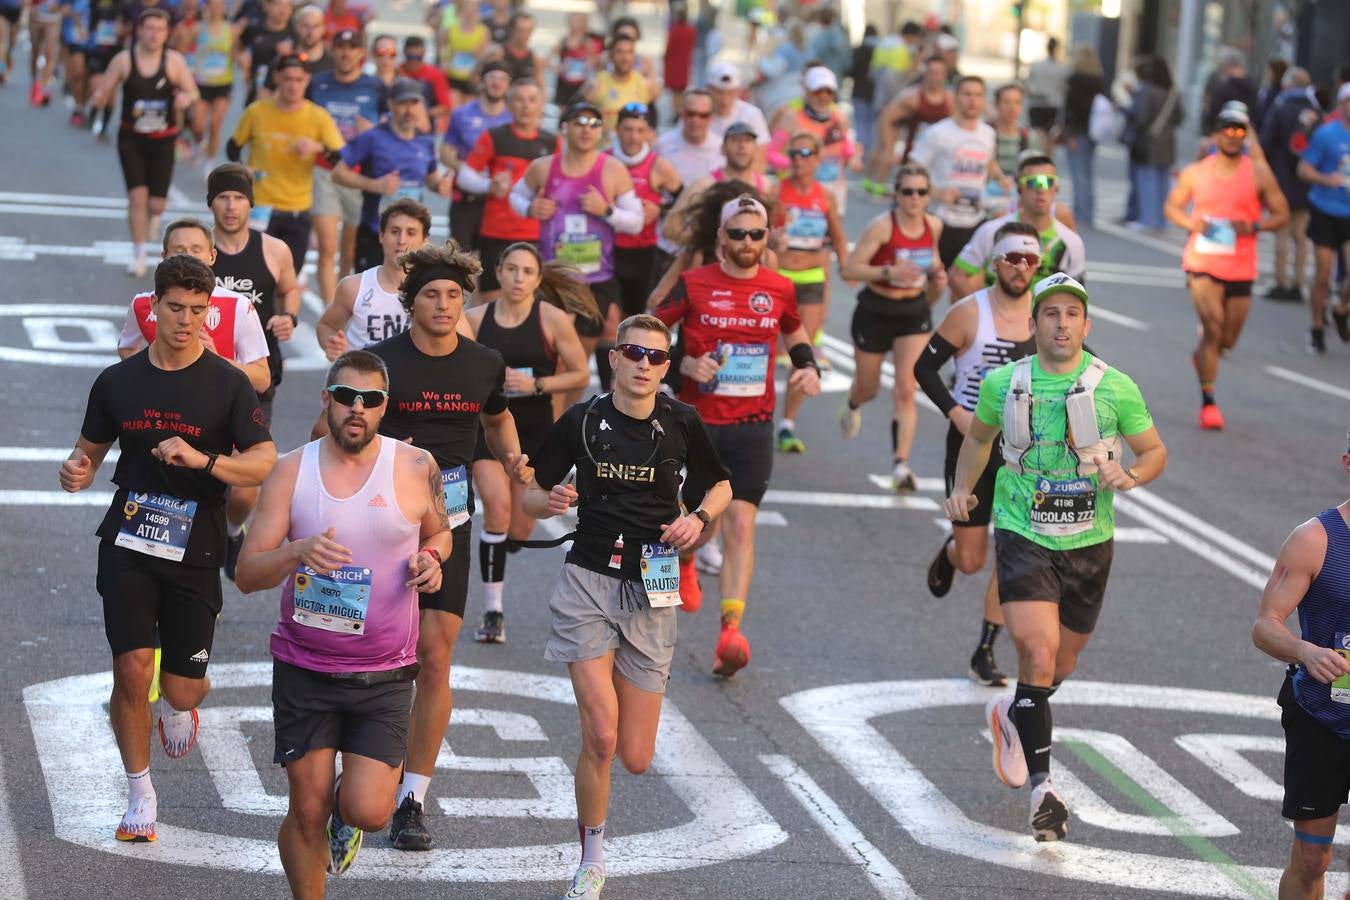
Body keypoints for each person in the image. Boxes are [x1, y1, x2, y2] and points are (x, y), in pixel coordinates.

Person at [59, 254, 277, 844]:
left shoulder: (227, 382)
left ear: (210, 313)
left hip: (196, 548)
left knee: (180, 686)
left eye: (198, 311)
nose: (186, 321)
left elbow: (263, 461)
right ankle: (139, 793)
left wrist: (204, 459)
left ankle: (182, 704)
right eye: (175, 308)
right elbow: (89, 450)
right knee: (131, 669)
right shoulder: (117, 381)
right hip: (128, 539)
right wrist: (76, 471)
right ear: (152, 307)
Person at [946, 272, 1166, 841]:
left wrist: (1132, 473)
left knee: (1057, 669)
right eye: (1051, 313)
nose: (1062, 323)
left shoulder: (1115, 386)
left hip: (1091, 541)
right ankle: (1044, 792)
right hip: (1022, 530)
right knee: (1037, 653)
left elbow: (1154, 450)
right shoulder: (1003, 383)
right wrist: (963, 489)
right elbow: (978, 440)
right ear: (1035, 323)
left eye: (1072, 314)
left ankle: (1012, 714)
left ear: (1086, 326)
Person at [521, 313, 732, 900]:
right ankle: (590, 861)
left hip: (653, 587)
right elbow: (530, 495)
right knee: (604, 737)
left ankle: (601, 774)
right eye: (634, 353)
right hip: (587, 578)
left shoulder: (682, 421)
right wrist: (550, 498)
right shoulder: (583, 420)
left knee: (636, 756)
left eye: (657, 357)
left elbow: (721, 485)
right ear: (613, 358)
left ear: (667, 367)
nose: (644, 365)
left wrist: (699, 518)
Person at [235, 349, 452, 890]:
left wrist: (433, 560)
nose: (358, 408)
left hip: (385, 674)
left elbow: (440, 532)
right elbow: (246, 573)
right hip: (306, 668)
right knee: (305, 811)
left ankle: (345, 818)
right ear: (327, 400)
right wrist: (297, 551)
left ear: (384, 407)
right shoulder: (291, 469)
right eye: (347, 397)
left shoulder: (416, 465)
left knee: (369, 811)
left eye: (371, 399)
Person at [368, 242, 527, 851]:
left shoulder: (483, 362)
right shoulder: (379, 363)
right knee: (372, 656)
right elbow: (330, 430)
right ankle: (353, 776)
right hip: (380, 525)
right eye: (431, 294)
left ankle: (412, 798)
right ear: (411, 303)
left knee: (434, 658)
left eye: (454, 296)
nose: (443, 304)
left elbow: (496, 417)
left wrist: (512, 456)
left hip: (449, 526)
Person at [653, 194, 822, 676]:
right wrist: (683, 362)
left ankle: (730, 630)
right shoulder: (694, 283)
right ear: (721, 238)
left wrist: (808, 368)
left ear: (767, 237)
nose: (748, 242)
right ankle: (685, 563)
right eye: (738, 233)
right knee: (687, 527)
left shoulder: (780, 288)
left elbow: (795, 333)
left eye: (757, 233)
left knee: (742, 526)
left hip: (752, 427)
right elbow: (649, 330)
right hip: (696, 424)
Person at [917, 221, 1042, 688]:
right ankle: (952, 555)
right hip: (973, 444)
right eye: (1012, 258)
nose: (1021, 267)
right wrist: (955, 413)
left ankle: (986, 648)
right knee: (973, 559)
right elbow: (924, 367)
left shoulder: (1046, 314)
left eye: (1030, 260)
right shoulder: (969, 313)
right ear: (995, 263)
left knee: (1011, 552)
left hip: (1029, 453)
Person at [463, 244, 591, 643]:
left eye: (527, 272)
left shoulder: (551, 320)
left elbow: (580, 374)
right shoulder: (473, 320)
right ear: (498, 272)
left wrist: (536, 384)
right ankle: (493, 613)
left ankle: (504, 547)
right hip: (489, 432)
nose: (519, 278)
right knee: (497, 512)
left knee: (518, 528)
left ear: (538, 279)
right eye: (512, 269)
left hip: (537, 435)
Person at [1251, 432, 1350, 900]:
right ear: (1348, 463)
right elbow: (1266, 625)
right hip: (1321, 716)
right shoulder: (1316, 538)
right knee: (1312, 858)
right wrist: (1307, 652)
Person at [1165, 102, 1288, 429]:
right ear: (1216, 135)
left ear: (1245, 136)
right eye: (1227, 130)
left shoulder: (1258, 173)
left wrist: (1255, 226)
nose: (1233, 136)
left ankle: (1204, 356)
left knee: (1227, 339)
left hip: (1241, 265)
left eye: (1239, 131)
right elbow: (1173, 208)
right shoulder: (1197, 172)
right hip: (1203, 261)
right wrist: (1193, 222)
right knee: (1213, 326)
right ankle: (1208, 403)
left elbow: (1281, 213)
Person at [514, 97, 644, 396]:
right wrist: (531, 208)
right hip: (552, 279)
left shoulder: (612, 170)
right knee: (551, 361)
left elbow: (636, 221)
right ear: (564, 128)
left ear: (601, 132)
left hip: (594, 281)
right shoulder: (544, 167)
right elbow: (515, 196)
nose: (587, 129)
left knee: (576, 365)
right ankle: (550, 425)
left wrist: (607, 211)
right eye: (579, 123)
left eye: (594, 124)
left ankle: (565, 425)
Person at [208, 163, 302, 571]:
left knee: (245, 487)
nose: (231, 207)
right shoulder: (198, 249)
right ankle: (200, 557)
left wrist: (290, 317)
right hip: (201, 378)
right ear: (211, 203)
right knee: (201, 476)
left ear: (250, 203)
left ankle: (231, 533)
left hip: (256, 379)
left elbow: (291, 288)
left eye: (239, 198)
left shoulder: (273, 250)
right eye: (223, 198)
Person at [839, 163, 946, 490]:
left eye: (921, 192)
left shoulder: (934, 225)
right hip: (875, 310)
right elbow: (849, 270)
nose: (914, 198)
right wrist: (888, 272)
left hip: (912, 313)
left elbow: (934, 263)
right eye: (907, 191)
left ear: (929, 196)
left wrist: (935, 283)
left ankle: (901, 464)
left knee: (906, 388)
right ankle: (854, 401)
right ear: (896, 195)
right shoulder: (882, 227)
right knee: (869, 388)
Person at [90, 8, 199, 278]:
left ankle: (153, 216)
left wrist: (185, 99)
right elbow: (104, 89)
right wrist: (99, 97)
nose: (154, 34)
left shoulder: (173, 61)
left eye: (160, 30)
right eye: (149, 28)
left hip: (163, 140)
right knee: (136, 197)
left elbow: (192, 91)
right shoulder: (124, 60)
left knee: (157, 205)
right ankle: (138, 253)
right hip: (132, 139)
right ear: (140, 31)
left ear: (167, 33)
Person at [118, 219, 272, 399]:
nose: (189, 256)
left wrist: (217, 361)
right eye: (180, 250)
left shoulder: (239, 305)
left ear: (212, 256)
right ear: (164, 256)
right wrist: (151, 378)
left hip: (215, 412)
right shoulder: (142, 304)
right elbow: (126, 347)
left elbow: (262, 380)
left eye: (196, 250)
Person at [228, 53, 346, 278]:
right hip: (260, 205)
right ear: (277, 78)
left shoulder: (318, 116)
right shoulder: (257, 111)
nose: (293, 85)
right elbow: (233, 146)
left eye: (299, 79)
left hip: (297, 207)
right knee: (256, 276)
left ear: (307, 80)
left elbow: (341, 158)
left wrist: (318, 147)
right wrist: (242, 168)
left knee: (288, 277)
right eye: (288, 79)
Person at [771, 130, 847, 455]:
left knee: (801, 355)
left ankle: (787, 424)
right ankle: (755, 412)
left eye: (806, 153)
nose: (799, 160)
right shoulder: (777, 191)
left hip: (812, 278)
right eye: (794, 153)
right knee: (766, 349)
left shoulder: (825, 195)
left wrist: (848, 268)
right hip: (779, 276)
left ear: (818, 159)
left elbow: (839, 237)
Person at [456, 78, 558, 303]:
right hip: (497, 232)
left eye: (532, 100)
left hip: (538, 234)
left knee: (533, 302)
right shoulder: (494, 136)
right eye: (519, 100)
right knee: (492, 302)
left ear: (541, 105)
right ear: (509, 105)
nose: (525, 105)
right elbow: (465, 176)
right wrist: (489, 185)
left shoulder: (553, 143)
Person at [331, 78, 446, 272]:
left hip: (413, 237)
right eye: (403, 103)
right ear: (391, 104)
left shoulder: (425, 141)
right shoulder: (372, 137)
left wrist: (440, 185)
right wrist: (374, 185)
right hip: (377, 233)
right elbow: (338, 173)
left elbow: (431, 177)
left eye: (414, 103)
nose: (409, 110)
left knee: (408, 298)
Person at [308, 27, 387, 305]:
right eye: (340, 47)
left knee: (350, 251)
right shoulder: (317, 83)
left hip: (360, 174)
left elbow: (392, 127)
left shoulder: (375, 86)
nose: (345, 52)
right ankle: (331, 310)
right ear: (333, 50)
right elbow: (303, 118)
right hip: (325, 170)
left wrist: (374, 129)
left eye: (352, 47)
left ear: (361, 54)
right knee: (327, 246)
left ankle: (346, 303)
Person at [950, 151, 1087, 299]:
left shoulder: (1072, 242)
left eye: (1048, 181)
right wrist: (980, 312)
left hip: (1041, 321)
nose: (1041, 190)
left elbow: (1076, 297)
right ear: (1019, 188)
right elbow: (957, 275)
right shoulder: (992, 230)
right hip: (998, 318)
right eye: (1032, 182)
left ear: (1057, 188)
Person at [909, 74, 1008, 273]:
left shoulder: (988, 133)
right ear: (955, 97)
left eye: (978, 95)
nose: (972, 100)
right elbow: (911, 170)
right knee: (932, 286)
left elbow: (987, 161)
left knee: (967, 285)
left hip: (975, 220)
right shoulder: (938, 133)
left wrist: (999, 177)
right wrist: (938, 193)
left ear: (984, 100)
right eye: (967, 94)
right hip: (940, 220)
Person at [314, 198, 430, 363]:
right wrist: (332, 344)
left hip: (414, 383)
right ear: (381, 236)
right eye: (395, 231)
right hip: (363, 383)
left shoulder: (435, 290)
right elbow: (326, 326)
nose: (401, 240)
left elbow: (462, 337)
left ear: (425, 240)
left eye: (411, 232)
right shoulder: (353, 287)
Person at [606, 102, 682, 319]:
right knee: (610, 318)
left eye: (640, 131)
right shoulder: (604, 160)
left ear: (650, 133)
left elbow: (684, 201)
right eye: (628, 129)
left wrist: (660, 209)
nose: (633, 137)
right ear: (617, 129)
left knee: (637, 316)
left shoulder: (659, 165)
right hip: (608, 250)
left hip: (644, 253)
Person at [1296, 83, 1350, 354]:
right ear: (1341, 104)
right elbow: (1304, 169)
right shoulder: (1327, 134)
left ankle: (1341, 310)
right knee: (1324, 275)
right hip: (1326, 210)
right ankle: (1317, 327)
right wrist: (1325, 178)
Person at [1259, 66, 1318, 303]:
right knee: (1301, 236)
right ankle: (1298, 282)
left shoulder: (1281, 108)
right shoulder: (1315, 112)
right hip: (1306, 180)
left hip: (1282, 178)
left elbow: (1266, 142)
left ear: (1289, 84)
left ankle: (1281, 281)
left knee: (1282, 233)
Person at [767, 66, 859, 213]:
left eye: (829, 92)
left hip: (833, 190)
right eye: (818, 91)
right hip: (799, 191)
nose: (823, 97)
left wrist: (853, 157)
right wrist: (797, 164)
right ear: (806, 91)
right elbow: (770, 154)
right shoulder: (791, 118)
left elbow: (849, 150)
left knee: (832, 234)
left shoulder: (840, 117)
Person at [441, 60, 511, 251]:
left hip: (498, 202)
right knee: (461, 260)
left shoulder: (513, 118)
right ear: (482, 82)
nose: (496, 84)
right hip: (467, 199)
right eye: (492, 78)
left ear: (508, 85)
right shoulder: (462, 114)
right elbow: (445, 152)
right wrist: (464, 170)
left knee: (493, 264)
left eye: (502, 79)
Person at [867, 55, 950, 190]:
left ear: (945, 75)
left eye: (939, 73)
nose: (936, 77)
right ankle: (873, 181)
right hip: (915, 156)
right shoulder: (912, 97)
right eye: (932, 72)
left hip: (940, 158)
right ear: (925, 74)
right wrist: (889, 148)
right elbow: (886, 118)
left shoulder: (951, 100)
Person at [1126, 56, 1183, 233]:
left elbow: (1141, 118)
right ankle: (1161, 220)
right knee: (1163, 181)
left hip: (1150, 142)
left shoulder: (1148, 91)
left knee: (1147, 180)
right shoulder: (1173, 93)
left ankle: (1147, 219)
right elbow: (1180, 118)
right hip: (1168, 141)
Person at [1060, 45, 1106, 228]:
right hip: (1093, 131)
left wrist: (1069, 133)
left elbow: (1071, 110)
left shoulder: (1075, 80)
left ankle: (1080, 213)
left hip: (1077, 131)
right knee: (1087, 172)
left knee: (1078, 173)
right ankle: (1088, 212)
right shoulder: (1099, 80)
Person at [185, 0, 235, 167]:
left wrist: (243, 60)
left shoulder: (231, 31)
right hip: (202, 83)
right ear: (206, 8)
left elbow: (238, 52)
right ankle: (200, 143)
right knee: (198, 126)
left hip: (223, 84)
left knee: (214, 126)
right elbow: (182, 50)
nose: (215, 9)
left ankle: (211, 161)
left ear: (223, 8)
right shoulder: (197, 29)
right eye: (212, 5)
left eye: (219, 6)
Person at [654, 88, 724, 195]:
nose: (696, 120)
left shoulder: (721, 148)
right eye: (690, 113)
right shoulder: (662, 145)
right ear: (681, 113)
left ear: (711, 118)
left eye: (703, 115)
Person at [706, 60, 770, 163]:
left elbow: (760, 157)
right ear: (709, 89)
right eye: (719, 92)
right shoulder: (698, 114)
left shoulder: (752, 114)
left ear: (738, 91)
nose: (725, 99)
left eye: (730, 93)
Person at [238, 0, 293, 105]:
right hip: (256, 89)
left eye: (287, 6)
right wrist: (241, 58)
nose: (283, 10)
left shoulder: (295, 31)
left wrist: (290, 54)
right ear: (267, 6)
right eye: (279, 5)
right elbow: (239, 46)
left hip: (283, 93)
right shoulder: (254, 28)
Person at [482, 11, 546, 91]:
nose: (525, 35)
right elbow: (479, 79)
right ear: (511, 30)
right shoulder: (498, 53)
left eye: (529, 30)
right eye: (521, 30)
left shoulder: (534, 58)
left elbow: (540, 86)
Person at [440, 0, 487, 106]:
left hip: (472, 77)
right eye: (468, 9)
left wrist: (478, 54)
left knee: (468, 109)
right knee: (453, 108)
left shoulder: (483, 31)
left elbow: (485, 56)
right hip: (454, 75)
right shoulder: (452, 29)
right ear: (461, 11)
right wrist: (445, 61)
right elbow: (442, 47)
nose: (470, 13)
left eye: (473, 10)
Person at [398, 34, 451, 127]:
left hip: (424, 125)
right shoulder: (398, 71)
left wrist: (422, 114)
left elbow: (445, 106)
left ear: (424, 53)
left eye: (418, 58)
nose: (413, 62)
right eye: (410, 57)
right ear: (404, 53)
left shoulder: (435, 75)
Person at [1203, 45, 1257, 134]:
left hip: (1224, 135)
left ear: (1227, 65)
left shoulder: (1223, 88)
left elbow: (1212, 116)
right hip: (1244, 136)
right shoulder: (1253, 86)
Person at [849, 25, 880, 175]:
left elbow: (851, 69)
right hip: (874, 93)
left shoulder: (860, 50)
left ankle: (862, 155)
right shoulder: (880, 50)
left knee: (861, 125)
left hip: (860, 92)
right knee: (871, 125)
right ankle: (868, 154)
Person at [1026, 37, 1068, 148]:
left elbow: (1028, 84)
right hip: (1053, 104)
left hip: (1037, 103)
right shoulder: (1063, 68)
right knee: (1050, 137)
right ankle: (1046, 160)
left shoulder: (1036, 66)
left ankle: (1039, 156)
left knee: (1038, 136)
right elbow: (1065, 88)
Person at [554, 12, 602, 109]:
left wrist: (589, 64)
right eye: (574, 21)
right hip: (564, 82)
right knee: (563, 109)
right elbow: (549, 60)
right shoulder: (563, 41)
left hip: (580, 84)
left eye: (580, 22)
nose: (576, 25)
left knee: (578, 108)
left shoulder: (588, 42)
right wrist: (558, 67)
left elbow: (595, 61)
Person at [663, 2, 695, 100]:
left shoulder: (675, 30)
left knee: (675, 91)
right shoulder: (691, 30)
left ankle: (677, 112)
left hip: (674, 64)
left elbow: (670, 47)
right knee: (681, 90)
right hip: (684, 63)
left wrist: (665, 57)